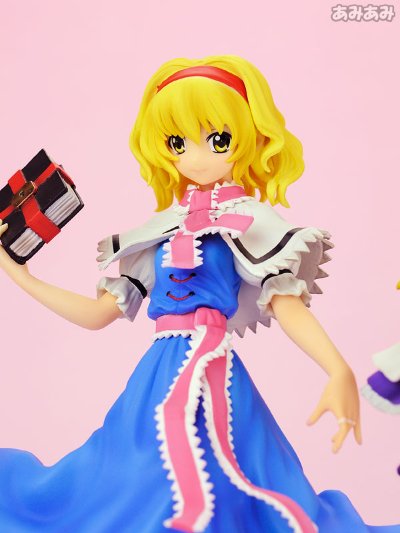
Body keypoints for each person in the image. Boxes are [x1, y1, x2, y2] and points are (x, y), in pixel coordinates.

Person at [0, 55, 398, 533]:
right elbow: (98, 313)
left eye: (218, 139)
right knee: (136, 477)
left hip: (215, 371)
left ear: (248, 138)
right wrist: (23, 277)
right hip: (156, 374)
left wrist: (338, 369)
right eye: (177, 142)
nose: (195, 156)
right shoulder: (160, 231)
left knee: (224, 479)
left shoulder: (250, 220)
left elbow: (286, 304)